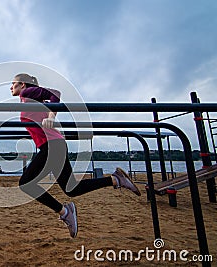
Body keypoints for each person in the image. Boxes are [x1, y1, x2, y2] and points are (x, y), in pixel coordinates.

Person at [10, 73, 141, 238]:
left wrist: (51, 117)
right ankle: (115, 179)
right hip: (53, 145)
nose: (11, 87)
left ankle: (65, 212)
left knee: (26, 183)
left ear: (22, 84)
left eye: (13, 84)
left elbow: (55, 94)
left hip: (51, 146)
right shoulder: (29, 101)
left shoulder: (27, 93)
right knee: (71, 188)